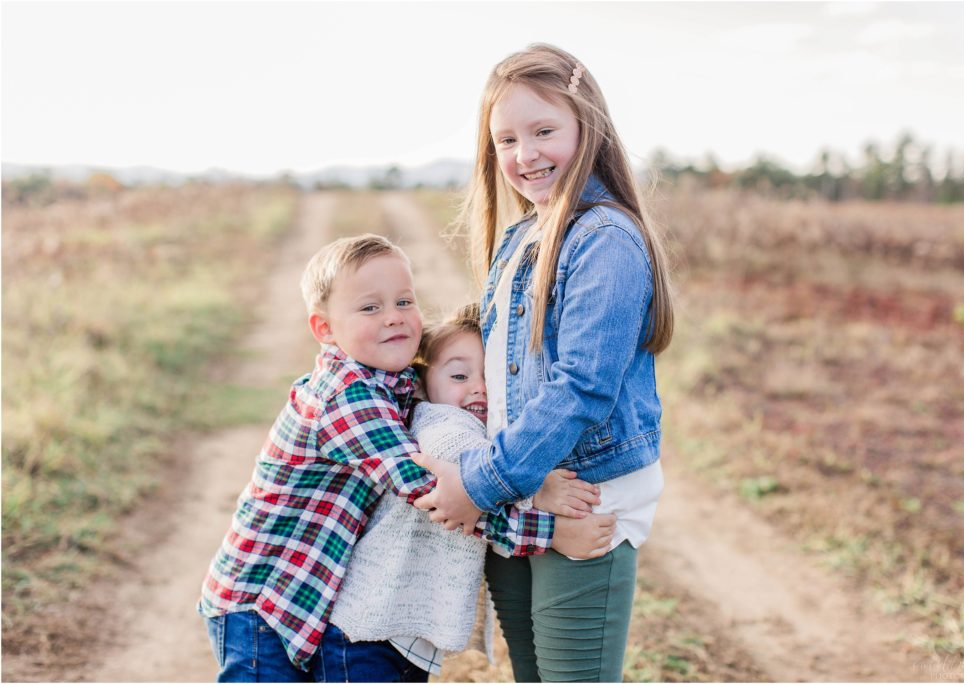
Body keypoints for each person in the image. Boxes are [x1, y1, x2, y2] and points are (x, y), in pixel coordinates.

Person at [197, 234, 598, 682]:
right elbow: (439, 498)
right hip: (263, 600)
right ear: (325, 329)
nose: (393, 318)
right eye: (370, 307)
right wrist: (548, 531)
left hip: (306, 594)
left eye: (404, 301)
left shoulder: (396, 381)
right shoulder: (347, 398)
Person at [412, 43, 676, 682]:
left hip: (583, 499)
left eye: (543, 131)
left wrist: (479, 484)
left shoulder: (604, 240)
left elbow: (581, 387)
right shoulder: (523, 236)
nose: (524, 155)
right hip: (526, 495)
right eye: (505, 140)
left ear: (589, 126)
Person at [330, 303, 612, 677]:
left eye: (491, 378)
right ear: (421, 383)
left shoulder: (475, 430)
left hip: (390, 631)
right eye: (460, 376)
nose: (479, 387)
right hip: (369, 630)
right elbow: (463, 465)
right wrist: (535, 490)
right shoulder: (438, 424)